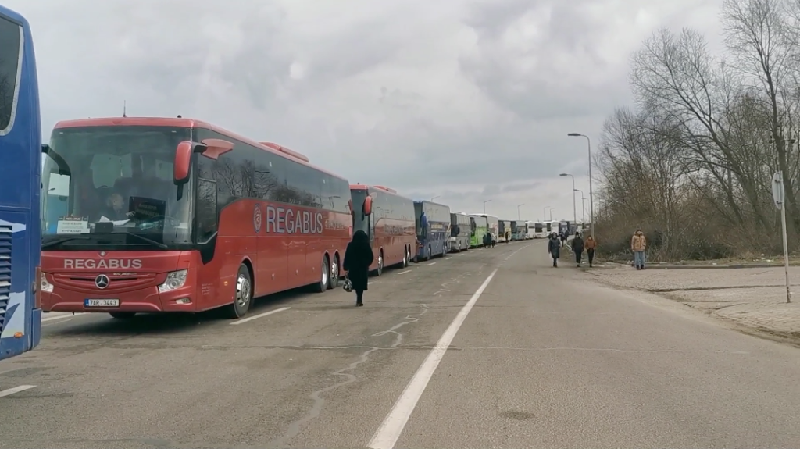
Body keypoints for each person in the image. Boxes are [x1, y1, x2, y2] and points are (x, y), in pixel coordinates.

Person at [343, 230, 374, 306]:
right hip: (363, 269)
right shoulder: (366, 245)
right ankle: (359, 299)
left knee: (356, 283)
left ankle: (358, 298)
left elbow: (347, 256)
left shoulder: (351, 245)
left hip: (353, 269)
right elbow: (370, 257)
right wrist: (366, 264)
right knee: (361, 284)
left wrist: (346, 267)